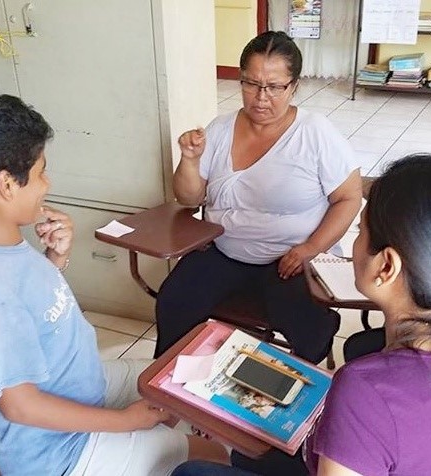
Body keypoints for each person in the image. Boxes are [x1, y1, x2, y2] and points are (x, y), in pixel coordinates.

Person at [172, 155, 431, 476]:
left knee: (190, 471)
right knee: (250, 449)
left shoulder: (367, 390)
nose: (355, 243)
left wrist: (354, 420)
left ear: (386, 266)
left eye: (360, 231)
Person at [0, 91, 228, 476]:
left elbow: (24, 315)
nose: (46, 183)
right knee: (213, 458)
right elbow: (19, 405)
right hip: (57, 453)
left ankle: (154, 443)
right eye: (40, 172)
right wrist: (126, 421)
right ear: (6, 184)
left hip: (85, 382)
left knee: (179, 380)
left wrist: (54, 260)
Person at [154, 31, 361, 364]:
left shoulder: (314, 132)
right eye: (251, 84)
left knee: (305, 322)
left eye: (275, 87)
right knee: (175, 299)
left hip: (288, 259)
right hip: (223, 250)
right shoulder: (220, 128)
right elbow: (189, 198)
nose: (261, 98)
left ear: (294, 86)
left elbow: (349, 198)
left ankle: (299, 393)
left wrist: (311, 248)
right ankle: (167, 389)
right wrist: (190, 160)